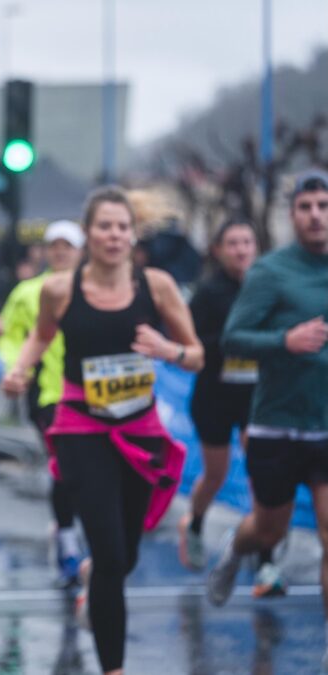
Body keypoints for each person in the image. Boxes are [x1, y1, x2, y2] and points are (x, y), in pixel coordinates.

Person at [2, 186, 203, 675]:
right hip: (80, 427)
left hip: (139, 428)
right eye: (104, 226)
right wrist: (21, 369)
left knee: (124, 555)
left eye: (122, 226)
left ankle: (93, 576)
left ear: (133, 234)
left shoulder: (156, 287)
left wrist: (168, 349)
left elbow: (197, 354)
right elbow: (42, 335)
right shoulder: (60, 289)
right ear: (88, 233)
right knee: (111, 550)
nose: (114, 235)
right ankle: (113, 667)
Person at [207, 169, 328, 666]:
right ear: (292, 214)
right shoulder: (271, 272)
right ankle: (237, 553)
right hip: (277, 425)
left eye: (324, 205)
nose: (317, 215)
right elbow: (233, 339)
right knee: (269, 531)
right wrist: (285, 341)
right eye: (306, 207)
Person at [179, 219, 283, 596]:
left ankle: (267, 561)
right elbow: (189, 339)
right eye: (232, 243)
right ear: (219, 250)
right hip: (214, 397)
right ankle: (194, 522)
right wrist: (233, 343)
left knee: (264, 479)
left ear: (256, 248)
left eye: (246, 242)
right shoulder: (208, 293)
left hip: (255, 398)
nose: (240, 250)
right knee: (216, 475)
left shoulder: (268, 287)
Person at [0, 219, 85, 587]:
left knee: (87, 470)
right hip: (47, 394)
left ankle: (74, 531)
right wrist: (18, 369)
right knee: (65, 465)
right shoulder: (29, 292)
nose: (61, 251)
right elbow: (10, 336)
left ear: (81, 252)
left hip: (92, 394)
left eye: (68, 246)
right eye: (55, 245)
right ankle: (67, 541)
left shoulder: (94, 290)